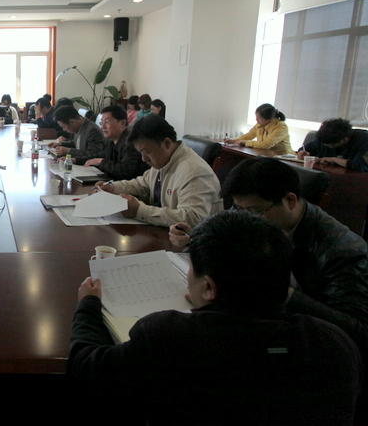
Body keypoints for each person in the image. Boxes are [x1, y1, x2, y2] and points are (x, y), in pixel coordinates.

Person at [69, 210, 362, 425]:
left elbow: (87, 368)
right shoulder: (335, 346)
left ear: (209, 287)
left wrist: (89, 306)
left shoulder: (171, 337)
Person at [168, 156, 368, 361]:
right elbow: (225, 233)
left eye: (254, 211)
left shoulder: (343, 251)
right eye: (239, 209)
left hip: (307, 351)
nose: (245, 217)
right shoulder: (255, 215)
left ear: (290, 200)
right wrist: (195, 237)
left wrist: (281, 293)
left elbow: (357, 332)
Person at [95, 115, 222, 227]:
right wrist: (112, 187)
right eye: (141, 153)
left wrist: (139, 210)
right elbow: (142, 184)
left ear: (167, 143)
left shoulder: (195, 172)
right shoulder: (163, 161)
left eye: (147, 152)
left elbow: (192, 218)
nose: (144, 159)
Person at [84, 105, 149, 180]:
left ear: (122, 123)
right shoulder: (112, 141)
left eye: (107, 122)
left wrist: (101, 162)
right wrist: (75, 160)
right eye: (102, 122)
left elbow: (125, 171)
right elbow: (97, 157)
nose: (103, 127)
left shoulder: (131, 142)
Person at [297, 118, 368, 171]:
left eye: (330, 145)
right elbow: (305, 149)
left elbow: (360, 165)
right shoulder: (325, 137)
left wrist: (333, 159)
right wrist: (303, 153)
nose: (325, 146)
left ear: (345, 139)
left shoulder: (364, 140)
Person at [225, 103, 292, 155]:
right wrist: (234, 140)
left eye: (259, 118)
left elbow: (266, 144)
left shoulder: (281, 127)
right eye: (256, 117)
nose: (256, 119)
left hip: (282, 158)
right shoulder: (260, 124)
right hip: (266, 155)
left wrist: (246, 142)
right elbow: (248, 136)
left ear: (270, 119)